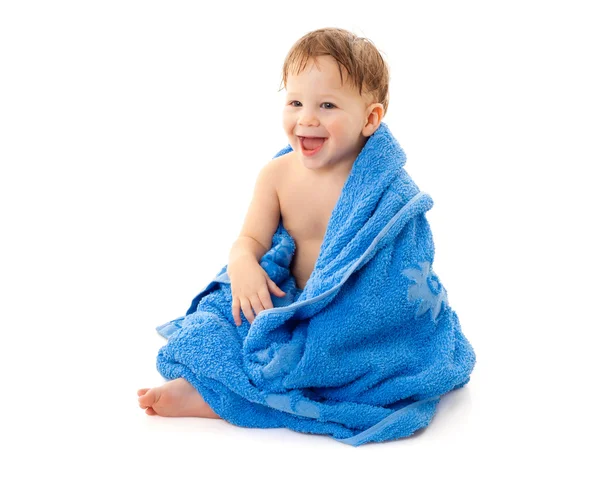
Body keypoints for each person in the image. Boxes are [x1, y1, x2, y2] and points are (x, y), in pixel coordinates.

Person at [138, 27, 389, 417]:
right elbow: (250, 240)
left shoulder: (379, 187)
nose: (306, 118)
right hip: (282, 298)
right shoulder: (277, 176)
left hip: (343, 310)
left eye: (327, 106)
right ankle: (208, 385)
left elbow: (396, 269)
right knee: (219, 321)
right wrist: (243, 266)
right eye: (294, 102)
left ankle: (217, 399)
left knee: (355, 359)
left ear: (370, 119)